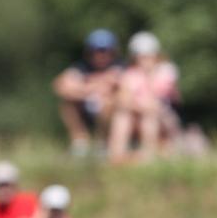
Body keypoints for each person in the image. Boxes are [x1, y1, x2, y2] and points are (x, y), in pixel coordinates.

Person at [109, 31, 182, 162]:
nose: (145, 60)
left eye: (148, 56)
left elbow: (157, 101)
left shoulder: (167, 71)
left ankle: (148, 156)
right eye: (141, 57)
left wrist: (149, 75)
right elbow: (123, 100)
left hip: (164, 120)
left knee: (149, 117)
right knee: (122, 116)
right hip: (141, 115)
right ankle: (117, 156)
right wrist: (138, 106)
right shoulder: (130, 74)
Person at [53, 29, 123, 156]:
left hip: (111, 114)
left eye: (104, 51)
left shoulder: (120, 66)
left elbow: (119, 85)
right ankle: (80, 143)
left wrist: (82, 86)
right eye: (96, 51)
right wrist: (91, 89)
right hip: (86, 109)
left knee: (109, 102)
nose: (100, 55)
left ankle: (103, 144)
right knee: (68, 104)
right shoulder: (82, 67)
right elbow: (60, 86)